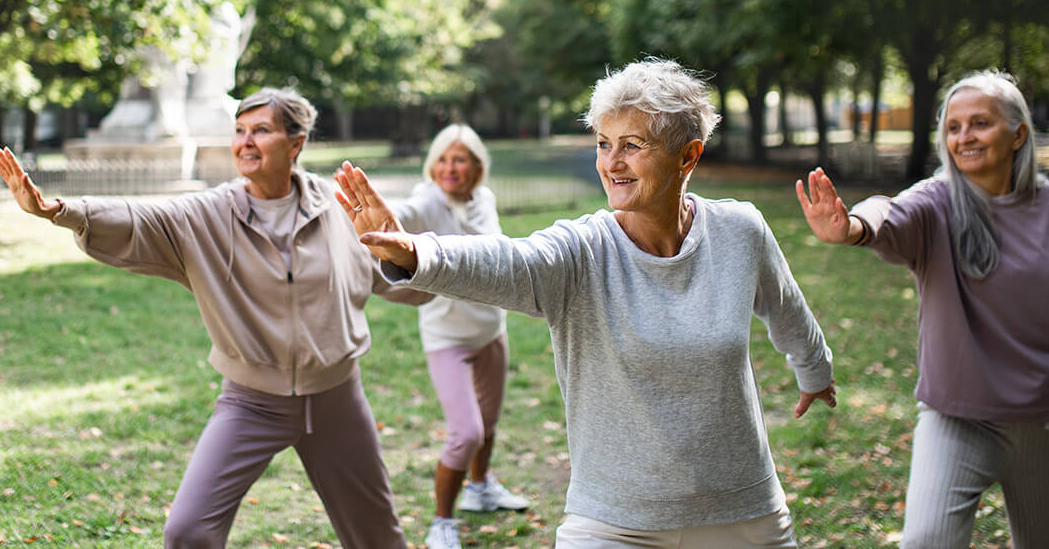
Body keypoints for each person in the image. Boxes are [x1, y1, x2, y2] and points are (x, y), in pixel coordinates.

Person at [334, 58, 837, 548]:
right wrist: (414, 250)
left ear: (688, 156)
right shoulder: (582, 250)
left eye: (632, 145)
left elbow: (787, 308)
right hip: (614, 520)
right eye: (603, 144)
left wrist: (815, 371)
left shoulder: (740, 230)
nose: (611, 163)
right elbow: (510, 262)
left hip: (741, 509)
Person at [0, 87, 430, 549]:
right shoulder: (209, 213)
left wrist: (405, 255)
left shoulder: (338, 207)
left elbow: (403, 281)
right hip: (251, 402)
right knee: (188, 532)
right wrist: (61, 211)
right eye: (239, 131)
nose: (245, 142)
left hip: (337, 395)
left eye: (261, 130)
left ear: (295, 144)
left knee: (377, 536)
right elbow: (140, 218)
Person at [796, 70, 1049, 549]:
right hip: (957, 416)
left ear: (1018, 133)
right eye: (954, 126)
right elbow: (889, 213)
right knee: (926, 541)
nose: (965, 137)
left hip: (1046, 415)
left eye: (980, 123)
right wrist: (853, 226)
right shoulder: (936, 202)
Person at [392, 124, 530, 549]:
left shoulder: (484, 200)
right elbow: (403, 216)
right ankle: (442, 521)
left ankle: (481, 488)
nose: (450, 168)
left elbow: (501, 252)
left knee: (487, 426)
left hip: (491, 329)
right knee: (465, 433)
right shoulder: (427, 201)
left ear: (477, 167)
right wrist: (381, 218)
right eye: (444, 159)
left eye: (460, 160)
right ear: (433, 164)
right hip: (447, 337)